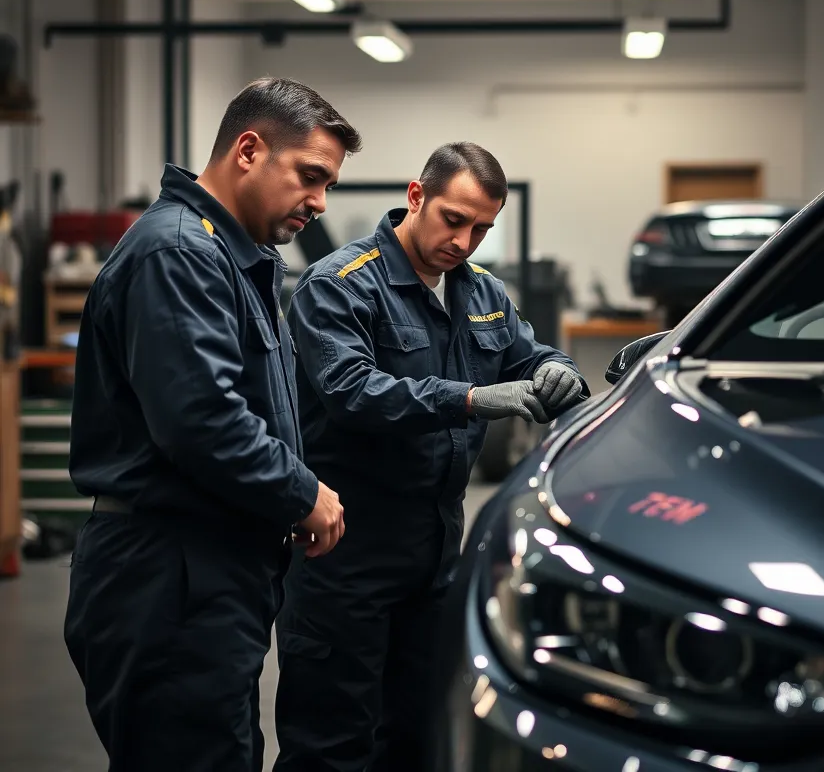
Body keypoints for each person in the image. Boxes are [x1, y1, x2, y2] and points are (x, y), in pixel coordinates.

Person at [64, 76, 361, 772]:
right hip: (168, 572)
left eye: (329, 187)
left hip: (206, 568)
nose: (319, 203)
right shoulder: (178, 252)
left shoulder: (233, 255)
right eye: (310, 176)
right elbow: (202, 419)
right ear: (249, 149)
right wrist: (301, 492)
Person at [274, 141, 589, 772]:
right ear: (416, 196)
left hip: (436, 555)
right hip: (344, 553)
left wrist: (558, 370)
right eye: (454, 219)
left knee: (418, 737)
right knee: (332, 744)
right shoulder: (339, 285)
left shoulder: (482, 293)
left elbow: (528, 356)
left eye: (482, 229)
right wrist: (471, 398)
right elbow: (352, 392)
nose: (465, 241)